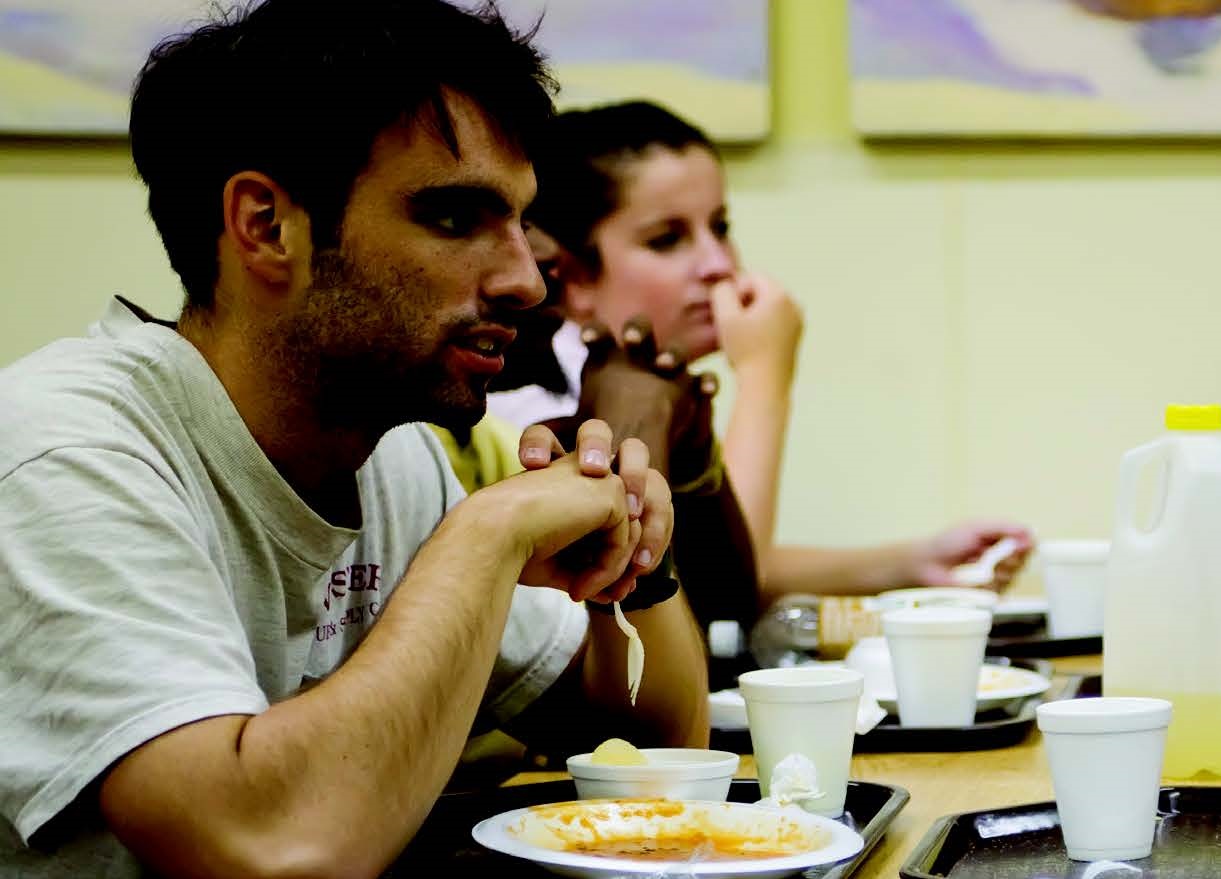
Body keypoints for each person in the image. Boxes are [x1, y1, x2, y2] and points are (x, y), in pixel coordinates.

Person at [0, 1, 708, 876]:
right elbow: (263, 848)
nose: (527, 280)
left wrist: (636, 562)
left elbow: (661, 743)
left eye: (522, 223)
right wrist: (486, 534)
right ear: (266, 227)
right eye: (455, 218)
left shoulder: (392, 453)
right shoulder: (65, 453)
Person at [486, 101, 1033, 599]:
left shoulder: (659, 386)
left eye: (719, 227)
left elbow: (707, 560)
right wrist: (766, 374)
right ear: (574, 277)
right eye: (667, 239)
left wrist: (913, 563)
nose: (718, 263)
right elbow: (732, 589)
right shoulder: (532, 411)